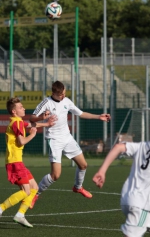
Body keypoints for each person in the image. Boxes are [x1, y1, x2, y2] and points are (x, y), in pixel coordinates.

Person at [29, 80, 111, 209]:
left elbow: (81, 113)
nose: (63, 96)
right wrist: (42, 118)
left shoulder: (67, 101)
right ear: (53, 93)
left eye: (64, 93)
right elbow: (32, 118)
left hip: (67, 138)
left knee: (83, 165)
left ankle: (77, 187)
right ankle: (35, 194)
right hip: (54, 140)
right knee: (55, 175)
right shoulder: (46, 103)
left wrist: (98, 116)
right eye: (60, 94)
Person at [93, 108, 150, 237]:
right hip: (140, 206)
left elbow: (118, 147)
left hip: (132, 202)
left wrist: (102, 171)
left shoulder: (142, 146)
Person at [0, 97, 56, 228]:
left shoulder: (18, 121)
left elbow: (31, 125)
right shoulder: (16, 123)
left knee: (34, 188)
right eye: (21, 107)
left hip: (17, 162)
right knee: (26, 191)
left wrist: (46, 124)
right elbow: (22, 141)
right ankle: (0, 207)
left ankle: (20, 214)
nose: (24, 108)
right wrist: (32, 135)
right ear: (14, 111)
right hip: (14, 162)